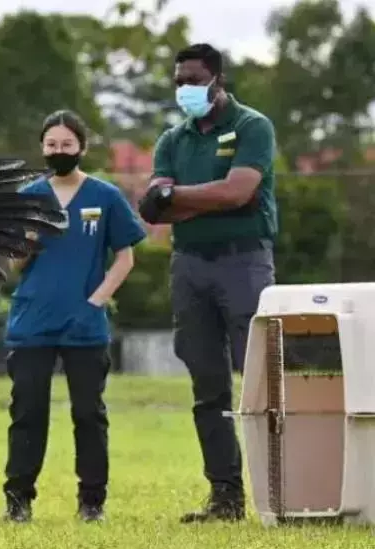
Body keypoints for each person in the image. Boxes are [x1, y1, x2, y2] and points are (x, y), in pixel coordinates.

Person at [139, 43, 278, 523]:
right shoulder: (172, 140)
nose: (185, 89)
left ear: (218, 79)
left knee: (262, 381)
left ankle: (280, 491)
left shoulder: (251, 127)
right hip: (190, 265)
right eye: (178, 81)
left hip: (244, 264)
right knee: (207, 386)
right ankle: (225, 497)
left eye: (194, 80)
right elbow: (152, 208)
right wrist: (207, 198)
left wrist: (176, 196)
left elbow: (241, 191)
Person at [2, 109, 146, 523]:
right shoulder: (28, 196)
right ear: (42, 149)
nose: (58, 151)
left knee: (89, 414)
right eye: (51, 145)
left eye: (67, 144)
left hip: (85, 325)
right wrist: (26, 240)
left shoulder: (105, 196)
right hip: (32, 323)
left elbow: (125, 256)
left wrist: (97, 300)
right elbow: (13, 264)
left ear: (82, 147)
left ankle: (92, 501)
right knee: (27, 413)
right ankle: (18, 500)